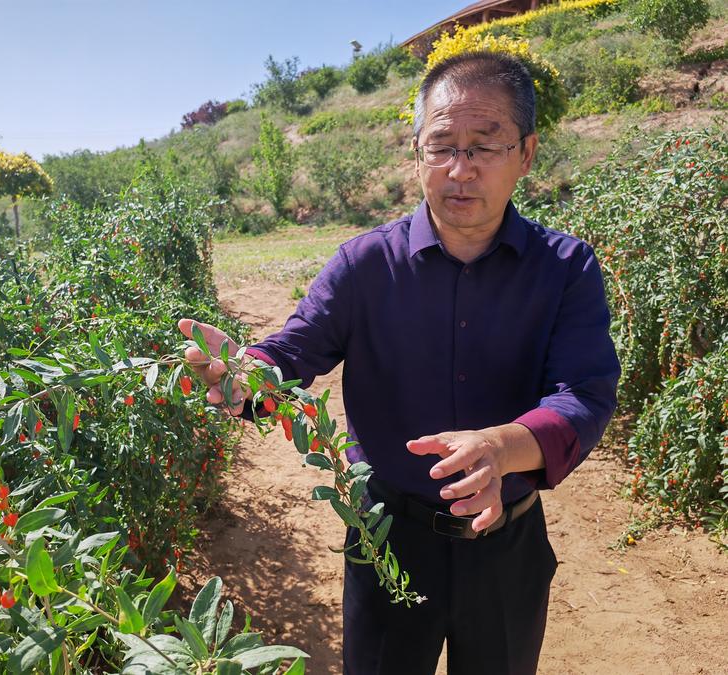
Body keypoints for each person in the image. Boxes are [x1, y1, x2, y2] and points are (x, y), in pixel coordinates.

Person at [179, 50, 620, 675]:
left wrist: (501, 449)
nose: (459, 169)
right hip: (388, 542)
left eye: (484, 146)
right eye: (441, 146)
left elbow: (585, 394)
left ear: (526, 153)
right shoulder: (364, 266)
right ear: (417, 155)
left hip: (506, 545)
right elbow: (295, 347)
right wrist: (243, 372)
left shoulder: (565, 268)